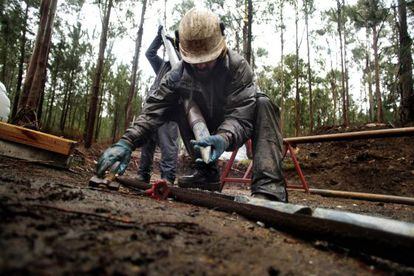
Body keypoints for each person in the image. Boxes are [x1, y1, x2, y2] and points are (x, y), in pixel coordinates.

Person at [97, 7, 288, 202]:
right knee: (179, 104)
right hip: (200, 132)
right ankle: (206, 173)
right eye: (196, 60)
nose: (202, 65)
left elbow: (241, 115)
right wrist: (126, 142)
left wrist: (223, 137)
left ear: (220, 46)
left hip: (233, 129)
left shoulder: (238, 67)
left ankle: (269, 188)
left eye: (207, 59)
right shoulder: (176, 76)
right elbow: (153, 111)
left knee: (263, 103)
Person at [137, 26, 179, 185]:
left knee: (168, 145)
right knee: (147, 142)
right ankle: (143, 175)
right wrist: (159, 37)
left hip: (169, 112)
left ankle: (167, 178)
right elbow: (150, 54)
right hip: (152, 109)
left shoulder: (185, 66)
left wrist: (174, 46)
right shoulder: (163, 66)